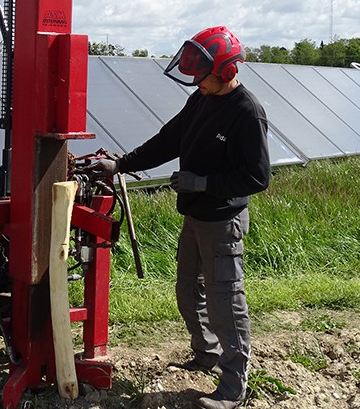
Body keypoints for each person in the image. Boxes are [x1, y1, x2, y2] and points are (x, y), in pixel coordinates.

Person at [91, 26, 270, 409]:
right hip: (195, 216)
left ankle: (233, 386)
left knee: (226, 300)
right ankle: (205, 354)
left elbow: (257, 177)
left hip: (223, 220)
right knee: (188, 291)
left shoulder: (246, 112)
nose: (193, 81)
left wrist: (203, 183)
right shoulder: (200, 100)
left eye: (200, 74)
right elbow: (168, 139)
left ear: (225, 70)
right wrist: (121, 164)